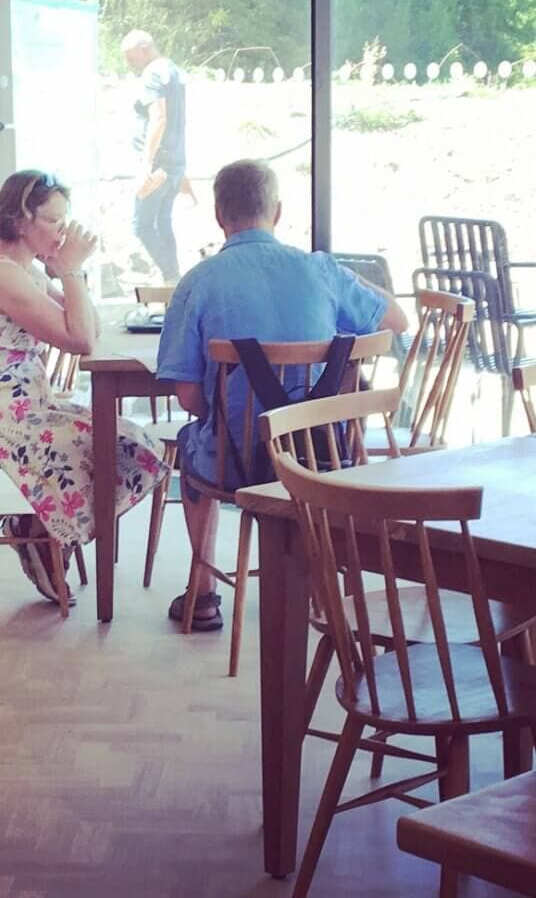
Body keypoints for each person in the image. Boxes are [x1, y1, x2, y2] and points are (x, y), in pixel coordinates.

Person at [155, 159, 409, 630]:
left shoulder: (199, 282)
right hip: (323, 459)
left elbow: (189, 397)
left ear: (218, 215)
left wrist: (231, 414)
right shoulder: (319, 270)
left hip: (239, 463)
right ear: (277, 211)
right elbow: (396, 320)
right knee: (289, 442)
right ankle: (323, 586)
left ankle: (204, 592)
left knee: (193, 441)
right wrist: (338, 274)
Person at [0, 170, 168, 606]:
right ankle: (43, 535)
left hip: (29, 406)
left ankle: (40, 531)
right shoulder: (3, 276)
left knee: (137, 444)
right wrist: (71, 269)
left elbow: (87, 325)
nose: (62, 231)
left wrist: (69, 273)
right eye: (53, 220)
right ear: (21, 219)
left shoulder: (24, 268)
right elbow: (81, 340)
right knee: (114, 447)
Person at [122, 29, 187, 284]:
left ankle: (172, 276)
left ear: (145, 48)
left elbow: (159, 117)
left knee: (142, 225)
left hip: (158, 164)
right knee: (163, 221)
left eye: (131, 57)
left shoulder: (152, 73)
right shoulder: (173, 70)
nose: (129, 63)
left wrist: (146, 164)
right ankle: (172, 280)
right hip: (175, 161)